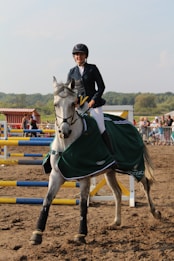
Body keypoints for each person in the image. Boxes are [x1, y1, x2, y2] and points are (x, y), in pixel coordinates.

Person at [67, 43, 113, 154]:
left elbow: (101, 87)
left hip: (94, 105)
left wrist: (93, 100)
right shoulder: (72, 72)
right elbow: (69, 90)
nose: (79, 56)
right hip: (79, 106)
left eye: (81, 54)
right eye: (76, 55)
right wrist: (75, 101)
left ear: (86, 56)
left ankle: (111, 154)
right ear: (74, 57)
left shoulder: (92, 68)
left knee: (100, 127)